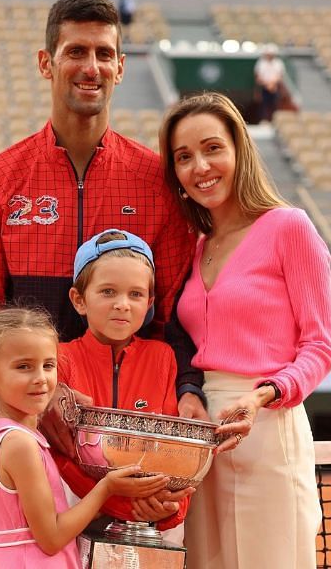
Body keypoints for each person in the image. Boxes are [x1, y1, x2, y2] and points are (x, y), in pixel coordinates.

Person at [0, 0, 195, 342]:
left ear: (120, 68)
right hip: (29, 394)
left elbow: (171, 319)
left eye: (104, 54)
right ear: (45, 63)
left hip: (129, 396)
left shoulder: (158, 181)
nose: (91, 67)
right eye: (76, 52)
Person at [159, 92, 331, 569]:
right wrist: (191, 395)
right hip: (203, 439)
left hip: (267, 425)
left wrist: (263, 396)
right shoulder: (197, 248)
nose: (200, 166)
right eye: (184, 157)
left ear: (239, 150)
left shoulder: (289, 227)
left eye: (212, 148)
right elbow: (194, 348)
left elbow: (320, 347)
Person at [0, 307, 169, 566]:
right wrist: (107, 488)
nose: (41, 378)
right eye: (24, 367)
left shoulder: (2, 436)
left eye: (48, 365)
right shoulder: (20, 444)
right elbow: (51, 538)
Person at [44, 229, 209, 543]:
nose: (122, 304)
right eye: (108, 292)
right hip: (76, 515)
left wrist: (170, 509)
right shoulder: (58, 359)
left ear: (149, 302)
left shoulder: (163, 357)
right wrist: (121, 504)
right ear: (79, 300)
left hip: (148, 520)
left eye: (135, 294)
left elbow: (174, 452)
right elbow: (59, 455)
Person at [253, 43, 286, 124]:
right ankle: (264, 120)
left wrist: (272, 84)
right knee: (264, 105)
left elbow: (280, 76)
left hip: (275, 87)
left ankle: (274, 121)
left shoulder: (279, 63)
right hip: (264, 87)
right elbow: (258, 77)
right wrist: (267, 84)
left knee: (275, 104)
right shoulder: (261, 63)